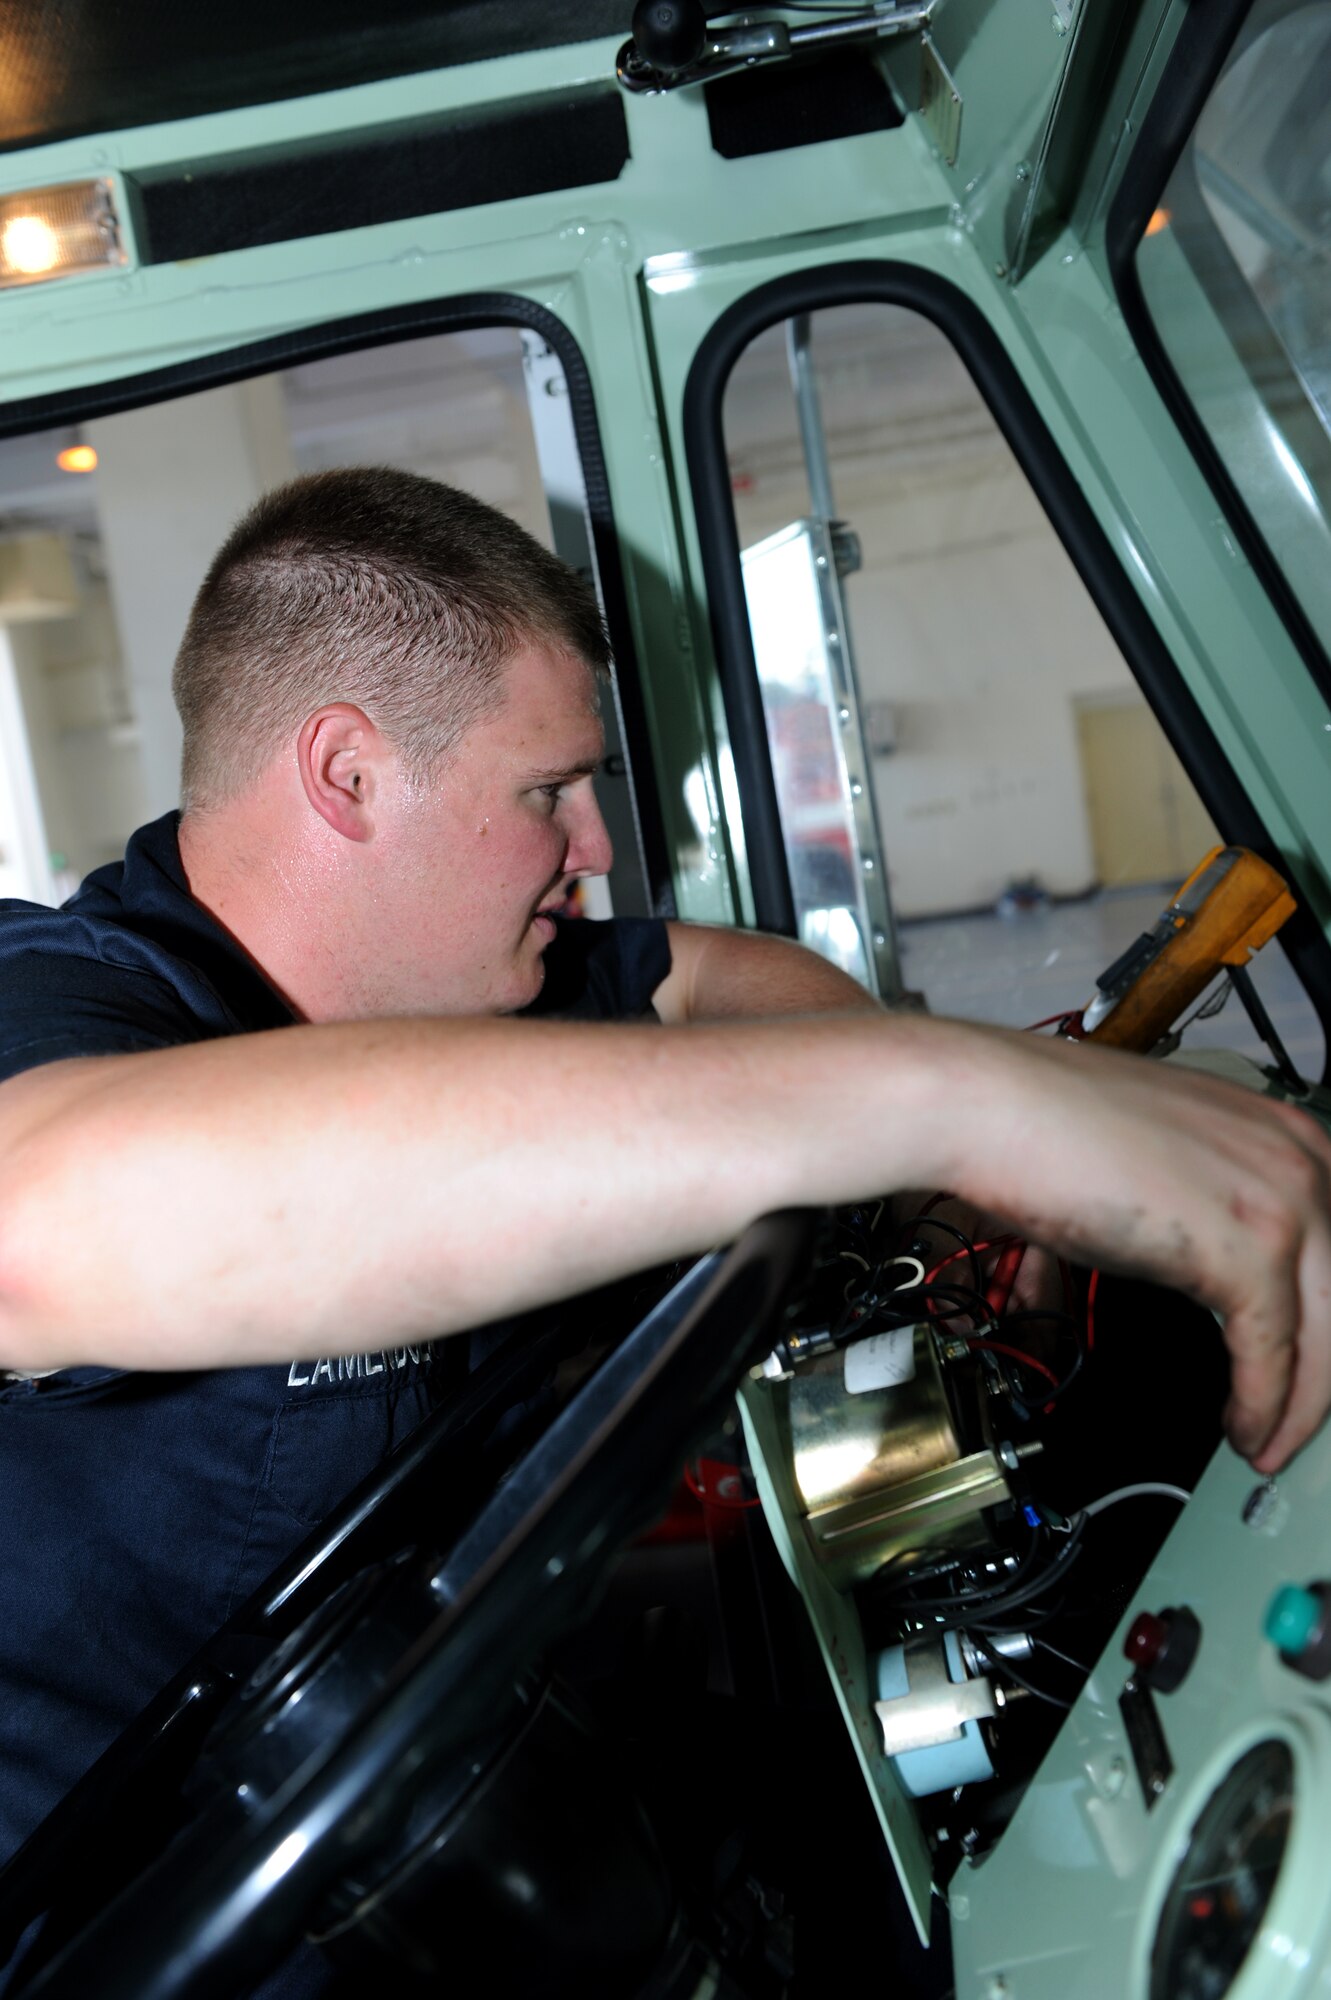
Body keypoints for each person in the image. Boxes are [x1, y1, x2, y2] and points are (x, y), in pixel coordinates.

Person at [0, 466, 1328, 1939]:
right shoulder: (56, 1005)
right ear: (349, 774)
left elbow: (705, 980)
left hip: (468, 1789)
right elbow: (40, 1222)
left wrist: (927, 1173)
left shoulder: (463, 980)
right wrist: (959, 1098)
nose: (596, 849)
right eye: (548, 793)